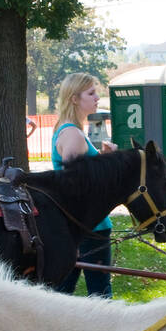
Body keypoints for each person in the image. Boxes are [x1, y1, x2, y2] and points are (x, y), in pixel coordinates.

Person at [52, 73, 117, 298]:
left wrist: (102, 159)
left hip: (85, 228)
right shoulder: (73, 134)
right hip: (89, 228)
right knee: (100, 295)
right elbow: (72, 187)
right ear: (74, 99)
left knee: (61, 293)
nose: (97, 97)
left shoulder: (69, 130)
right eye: (91, 93)